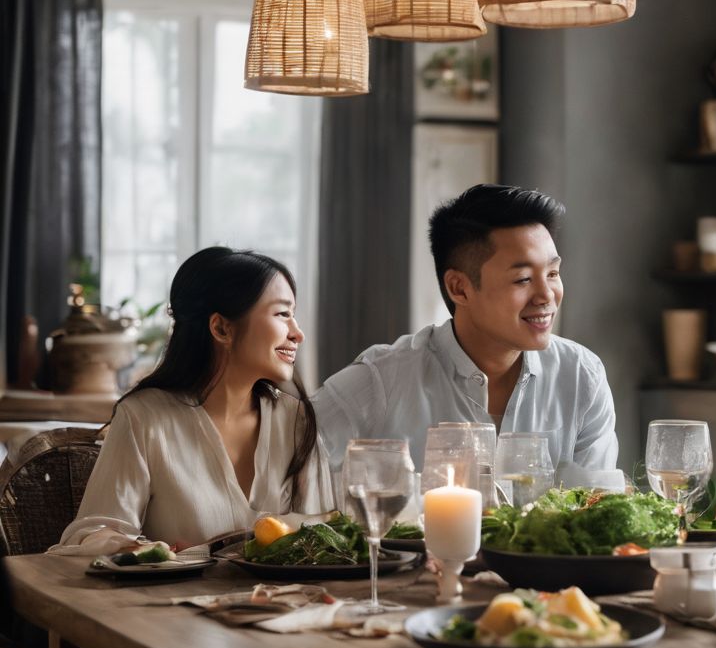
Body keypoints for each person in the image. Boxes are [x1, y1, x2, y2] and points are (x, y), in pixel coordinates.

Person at [313, 184, 618, 473]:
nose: (547, 295)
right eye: (523, 279)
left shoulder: (580, 376)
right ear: (459, 288)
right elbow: (285, 452)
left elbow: (596, 510)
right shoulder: (383, 381)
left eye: (552, 273)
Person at [58, 248, 335, 553]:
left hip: (291, 600)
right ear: (221, 328)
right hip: (171, 600)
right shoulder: (144, 417)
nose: (298, 334)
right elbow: (94, 531)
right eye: (283, 314)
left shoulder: (295, 420)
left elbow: (327, 539)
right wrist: (142, 550)